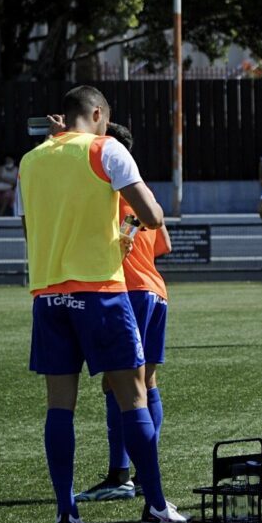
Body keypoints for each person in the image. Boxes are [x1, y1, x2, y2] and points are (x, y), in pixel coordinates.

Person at [18, 85, 186, 523]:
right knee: (133, 398)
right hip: (101, 292)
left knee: (60, 408)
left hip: (48, 294)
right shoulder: (106, 148)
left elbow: (28, 229)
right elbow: (152, 215)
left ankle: (66, 514)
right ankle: (154, 506)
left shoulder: (30, 161)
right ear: (96, 115)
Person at [75, 123, 173, 503]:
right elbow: (162, 242)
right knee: (145, 383)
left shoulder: (110, 193)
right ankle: (143, 469)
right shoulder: (143, 191)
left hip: (128, 291)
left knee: (116, 385)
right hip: (155, 291)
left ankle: (121, 473)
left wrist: (124, 232)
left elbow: (123, 239)